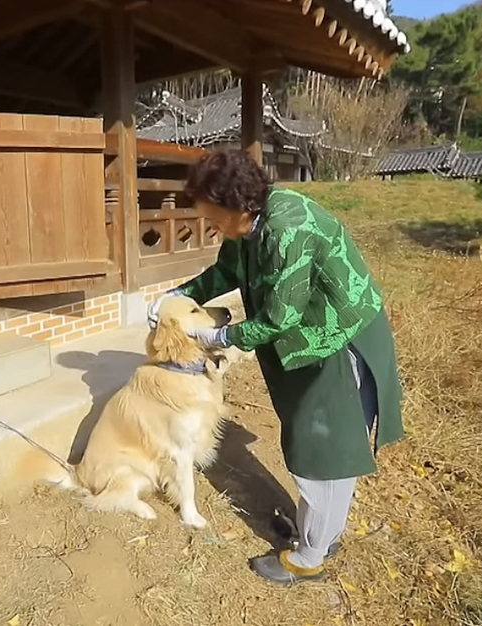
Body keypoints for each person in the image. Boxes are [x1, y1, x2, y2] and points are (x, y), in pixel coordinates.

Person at [148, 149, 403, 586]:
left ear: (237, 206)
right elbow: (224, 272)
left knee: (325, 452)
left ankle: (310, 556)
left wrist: (220, 336)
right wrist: (176, 296)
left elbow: (279, 318)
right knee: (313, 443)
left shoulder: (288, 228)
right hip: (308, 340)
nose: (212, 227)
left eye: (213, 218)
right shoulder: (248, 225)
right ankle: (321, 531)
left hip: (336, 340)